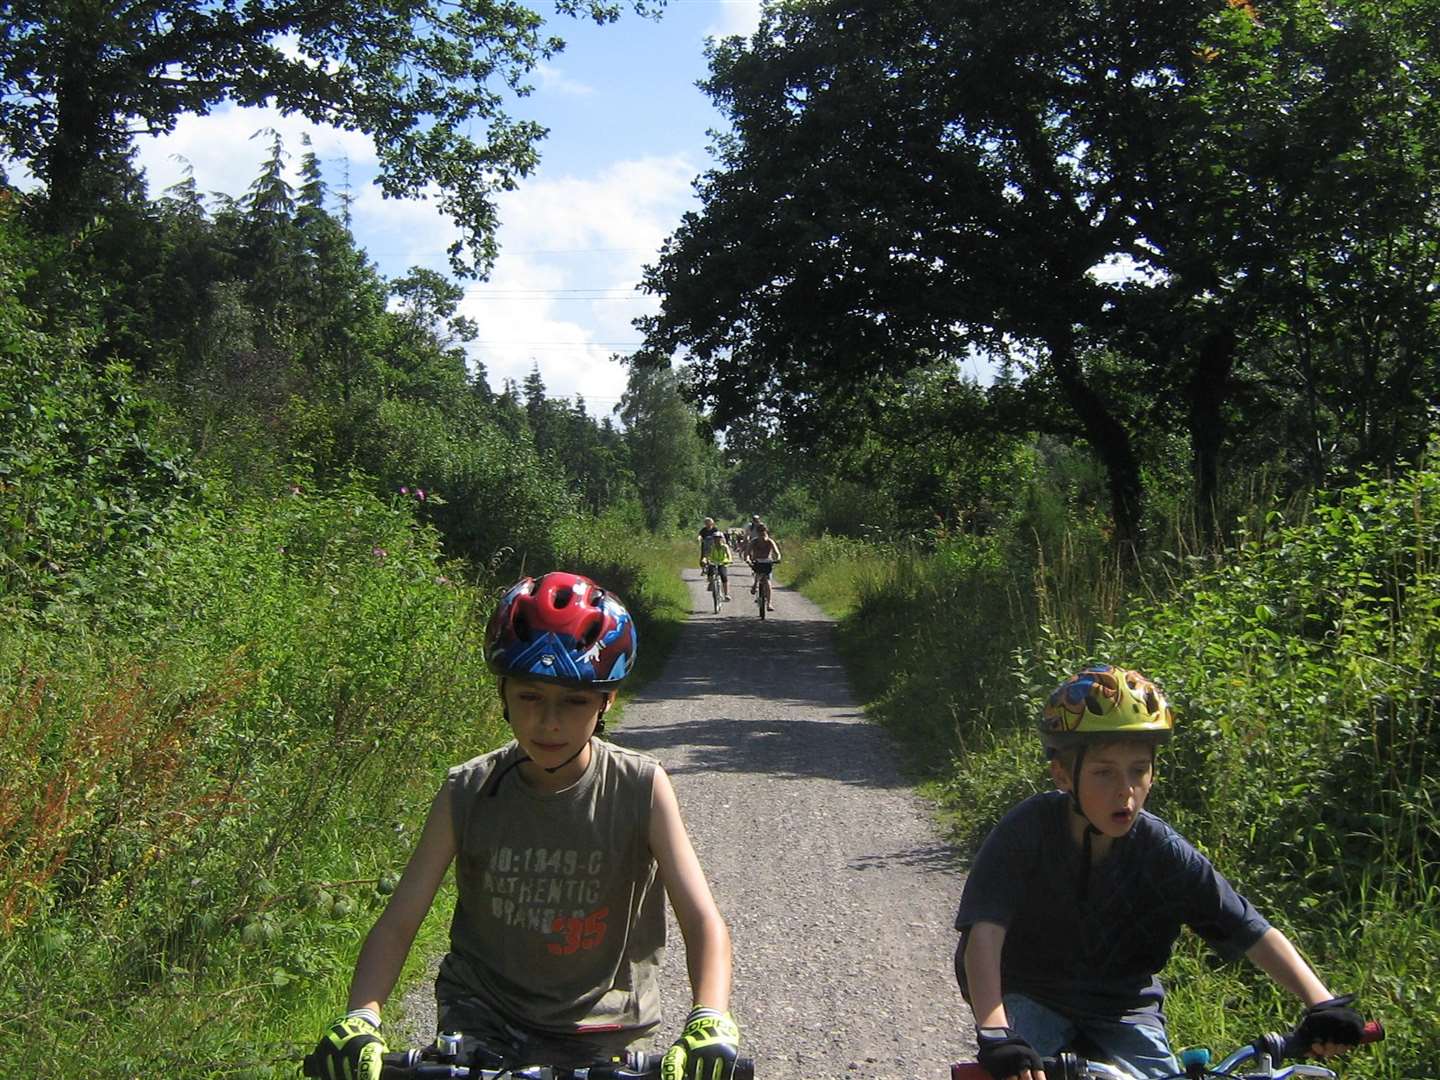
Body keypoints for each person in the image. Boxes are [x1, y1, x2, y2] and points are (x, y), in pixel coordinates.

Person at [309, 572, 740, 1080]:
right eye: (530, 696)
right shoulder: (466, 790)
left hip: (599, 1026)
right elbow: (400, 920)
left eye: (574, 700)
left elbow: (702, 921)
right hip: (482, 1016)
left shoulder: (639, 786)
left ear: (607, 701)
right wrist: (362, 1016)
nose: (549, 722)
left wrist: (710, 1016)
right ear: (503, 693)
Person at [954, 664, 1365, 1080]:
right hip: (1031, 993)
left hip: (1125, 1009)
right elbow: (984, 934)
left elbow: (1247, 928)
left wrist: (1321, 1003)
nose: (1125, 790)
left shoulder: (1161, 850)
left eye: (1138, 770)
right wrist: (995, 1032)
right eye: (1103, 772)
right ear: (1062, 775)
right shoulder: (1026, 831)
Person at [747, 525, 780, 611]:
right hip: (757, 561)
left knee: (768, 582)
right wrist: (748, 560)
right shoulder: (753, 542)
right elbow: (747, 553)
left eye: (764, 532)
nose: (762, 535)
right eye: (760, 533)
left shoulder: (769, 541)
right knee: (757, 574)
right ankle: (755, 585)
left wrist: (778, 558)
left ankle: (769, 603)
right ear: (757, 533)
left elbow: (776, 552)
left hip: (767, 562)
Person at [702, 531, 734, 602]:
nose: (717, 540)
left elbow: (729, 554)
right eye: (715, 538)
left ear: (722, 539)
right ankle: (711, 583)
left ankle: (726, 594)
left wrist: (730, 560)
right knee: (710, 574)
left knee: (724, 577)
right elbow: (707, 555)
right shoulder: (712, 547)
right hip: (713, 562)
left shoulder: (725, 546)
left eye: (719, 538)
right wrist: (704, 560)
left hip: (723, 563)